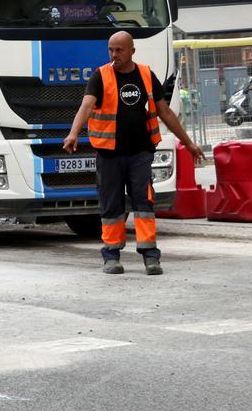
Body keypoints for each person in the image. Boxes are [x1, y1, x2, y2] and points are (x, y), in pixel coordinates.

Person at [63, 31, 205, 276]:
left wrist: (189, 143)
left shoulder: (147, 75)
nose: (114, 55)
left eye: (119, 50)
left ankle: (151, 256)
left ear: (131, 51)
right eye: (111, 50)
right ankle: (111, 256)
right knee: (111, 205)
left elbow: (166, 113)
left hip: (140, 153)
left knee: (144, 203)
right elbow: (86, 106)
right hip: (109, 154)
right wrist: (73, 133)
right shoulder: (101, 76)